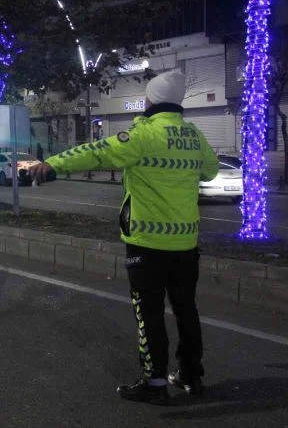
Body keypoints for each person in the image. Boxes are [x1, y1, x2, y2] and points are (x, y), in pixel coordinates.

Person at [28, 70, 219, 405]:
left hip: (147, 242)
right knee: (186, 308)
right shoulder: (194, 137)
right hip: (186, 243)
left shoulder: (143, 136)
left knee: (149, 313)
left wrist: (52, 164)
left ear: (151, 101)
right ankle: (191, 374)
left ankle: (155, 382)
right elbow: (211, 170)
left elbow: (98, 151)